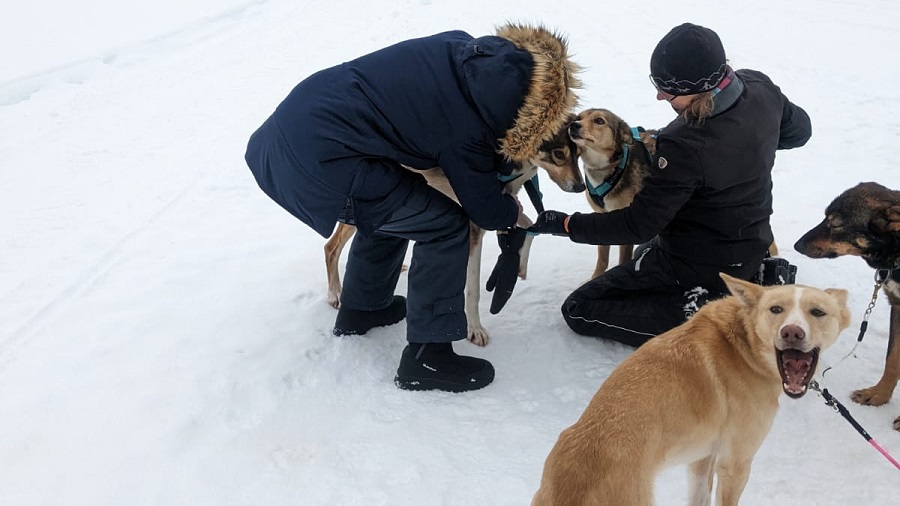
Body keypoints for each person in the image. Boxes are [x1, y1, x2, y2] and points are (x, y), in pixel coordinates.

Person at [245, 24, 580, 391]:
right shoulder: (468, 123)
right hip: (320, 161)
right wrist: (510, 213)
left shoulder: (458, 47)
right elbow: (482, 208)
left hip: (291, 128)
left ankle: (363, 307)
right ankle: (427, 357)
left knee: (394, 203)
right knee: (445, 224)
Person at [528, 23, 811, 347]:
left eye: (669, 90)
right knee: (647, 256)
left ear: (699, 86)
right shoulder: (759, 87)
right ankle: (747, 279)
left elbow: (638, 225)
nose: (660, 95)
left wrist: (566, 224)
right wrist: (747, 147)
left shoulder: (685, 143)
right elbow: (800, 131)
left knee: (580, 308)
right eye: (657, 84)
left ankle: (716, 316)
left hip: (694, 264)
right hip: (750, 244)